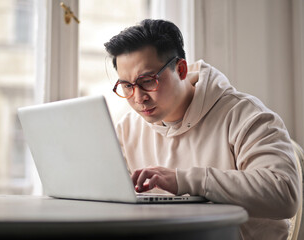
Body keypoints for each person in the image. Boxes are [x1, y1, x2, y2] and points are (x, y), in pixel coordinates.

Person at [104, 19, 300, 240]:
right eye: (127, 86)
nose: (138, 98)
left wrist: (185, 180)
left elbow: (284, 194)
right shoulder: (127, 127)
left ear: (181, 69)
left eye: (148, 81)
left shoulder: (245, 115)